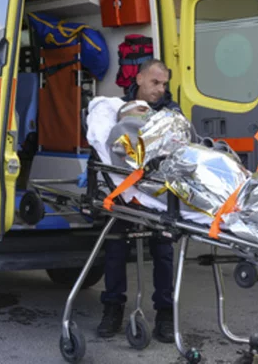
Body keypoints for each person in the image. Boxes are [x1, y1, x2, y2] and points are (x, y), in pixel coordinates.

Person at [97, 59, 180, 342]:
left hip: (158, 193)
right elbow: (103, 145)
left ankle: (166, 315)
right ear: (140, 79)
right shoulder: (121, 109)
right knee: (115, 247)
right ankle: (112, 309)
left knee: (164, 251)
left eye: (164, 84)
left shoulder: (171, 113)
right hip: (126, 191)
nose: (160, 89)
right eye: (155, 82)